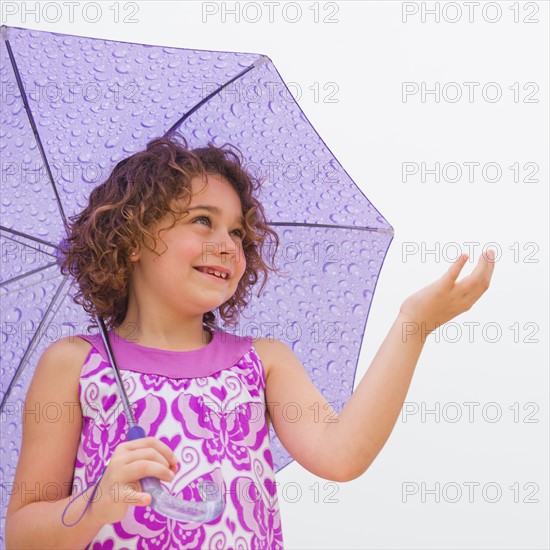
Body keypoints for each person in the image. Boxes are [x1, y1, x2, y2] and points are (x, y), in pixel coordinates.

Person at [5, 133, 495, 549]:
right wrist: (96, 503)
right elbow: (22, 532)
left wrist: (414, 324)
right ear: (131, 238)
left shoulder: (262, 363)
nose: (227, 244)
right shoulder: (73, 364)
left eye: (238, 232)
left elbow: (342, 455)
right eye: (202, 220)